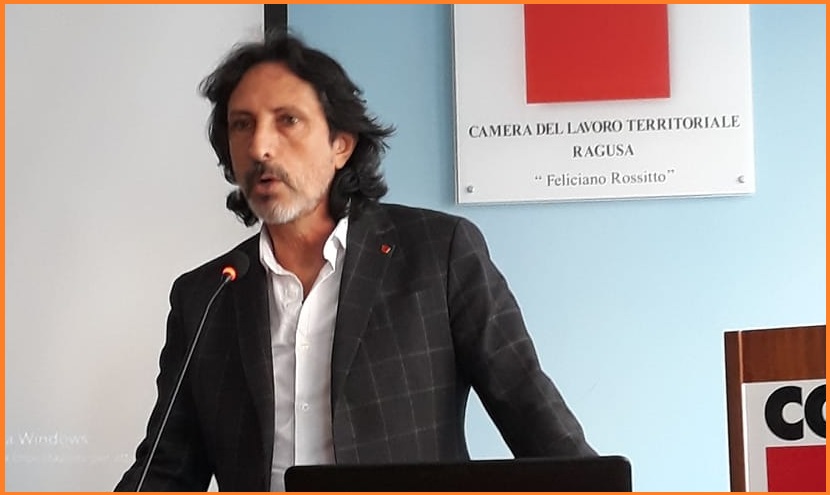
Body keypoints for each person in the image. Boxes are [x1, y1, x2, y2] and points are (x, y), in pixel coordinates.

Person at [116, 30, 596, 492]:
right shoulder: (207, 295)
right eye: (242, 124)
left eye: (287, 120)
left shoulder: (439, 253)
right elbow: (166, 468)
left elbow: (534, 418)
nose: (260, 146)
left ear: (341, 145)